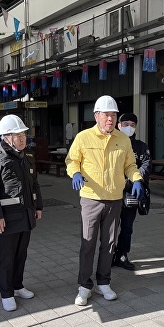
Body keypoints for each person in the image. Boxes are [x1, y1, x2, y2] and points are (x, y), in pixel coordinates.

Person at [65, 95, 143, 306]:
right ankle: (84, 286)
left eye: (113, 114)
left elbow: (130, 166)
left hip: (115, 199)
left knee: (109, 244)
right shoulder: (83, 137)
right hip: (91, 198)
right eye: (106, 114)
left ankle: (103, 282)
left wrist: (136, 179)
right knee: (88, 243)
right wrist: (75, 173)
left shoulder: (123, 139)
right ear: (96, 116)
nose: (110, 118)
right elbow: (72, 161)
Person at [0, 114, 43, 312]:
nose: (23, 138)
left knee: (21, 254)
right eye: (18, 135)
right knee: (7, 257)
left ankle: (18, 285)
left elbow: (34, 184)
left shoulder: (27, 157)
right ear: (7, 137)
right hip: (7, 219)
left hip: (26, 215)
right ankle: (6, 293)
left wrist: (38, 206)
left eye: (24, 134)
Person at [112, 112, 151, 270]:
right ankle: (108, 255)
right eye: (126, 124)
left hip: (131, 192)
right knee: (110, 227)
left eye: (132, 125)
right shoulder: (111, 142)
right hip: (112, 192)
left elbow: (146, 165)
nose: (129, 127)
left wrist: (132, 181)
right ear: (118, 125)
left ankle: (122, 254)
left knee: (127, 226)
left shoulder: (141, 146)